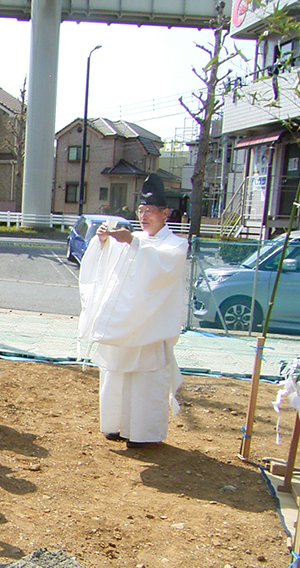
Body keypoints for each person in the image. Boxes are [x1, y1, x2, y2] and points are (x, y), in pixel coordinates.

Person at [78, 173, 188, 449]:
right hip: (122, 324)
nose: (144, 216)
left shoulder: (174, 245)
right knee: (115, 374)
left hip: (148, 327)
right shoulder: (133, 238)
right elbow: (109, 265)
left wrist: (133, 244)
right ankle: (114, 425)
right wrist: (104, 241)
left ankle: (143, 432)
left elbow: (160, 268)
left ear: (165, 213)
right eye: (141, 211)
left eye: (150, 211)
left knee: (145, 381)